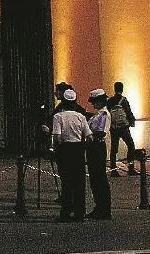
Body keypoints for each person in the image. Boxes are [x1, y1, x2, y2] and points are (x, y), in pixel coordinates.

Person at [51, 88, 92, 222]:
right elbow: (89, 136)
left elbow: (57, 137)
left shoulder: (58, 117)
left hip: (65, 149)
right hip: (78, 149)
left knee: (66, 181)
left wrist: (56, 148)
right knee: (79, 182)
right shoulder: (81, 117)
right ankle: (80, 213)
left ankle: (66, 212)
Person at [85, 89, 112, 220]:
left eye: (94, 101)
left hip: (98, 146)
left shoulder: (104, 114)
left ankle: (103, 209)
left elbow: (101, 132)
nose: (93, 104)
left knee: (99, 179)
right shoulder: (97, 115)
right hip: (93, 147)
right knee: (95, 180)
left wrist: (88, 133)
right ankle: (99, 207)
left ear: (101, 101)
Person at [107, 81, 138, 176]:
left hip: (114, 128)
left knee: (114, 149)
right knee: (131, 146)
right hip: (124, 128)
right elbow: (128, 111)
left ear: (114, 89)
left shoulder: (110, 101)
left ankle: (113, 170)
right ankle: (131, 168)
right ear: (122, 89)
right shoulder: (123, 100)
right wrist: (132, 121)